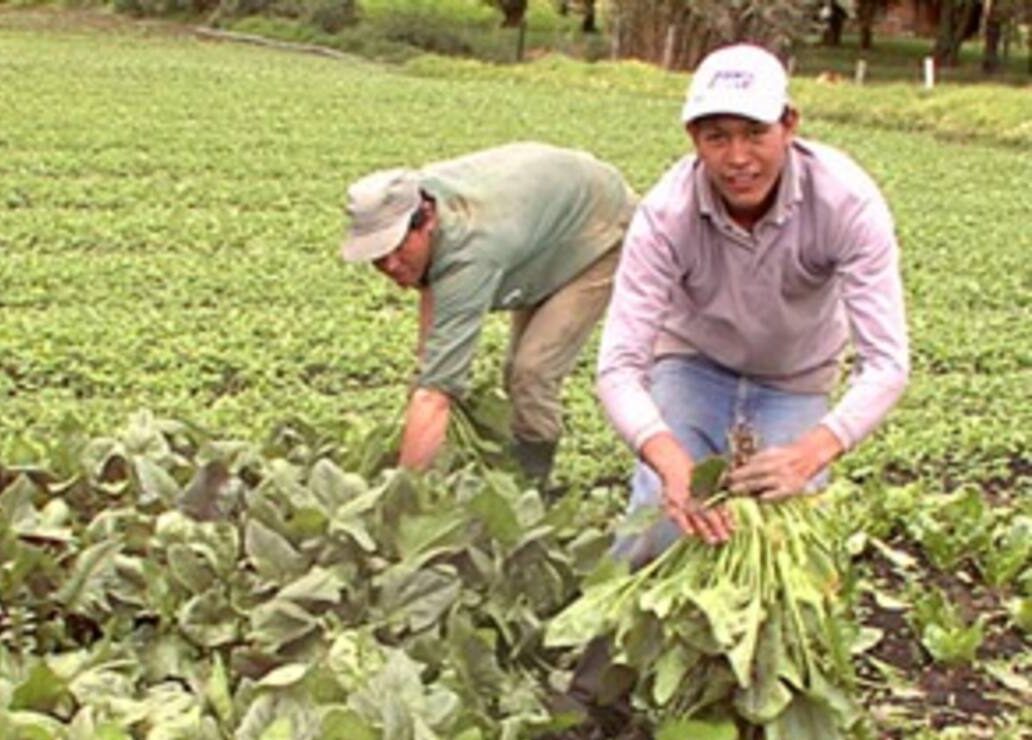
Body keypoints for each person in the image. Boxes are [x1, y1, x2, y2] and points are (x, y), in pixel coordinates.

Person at [597, 43, 910, 565]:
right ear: (694, 138)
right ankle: (627, 613)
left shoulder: (846, 203)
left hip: (795, 377)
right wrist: (667, 458)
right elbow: (618, 367)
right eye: (717, 136)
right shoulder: (665, 216)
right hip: (692, 361)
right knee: (658, 523)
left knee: (784, 546)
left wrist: (810, 453)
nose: (738, 158)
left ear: (789, 126)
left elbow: (887, 364)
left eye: (755, 133)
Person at [340, 142, 636, 485]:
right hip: (543, 219)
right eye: (378, 258)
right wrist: (426, 380)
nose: (391, 266)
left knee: (531, 371)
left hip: (600, 225)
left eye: (397, 247)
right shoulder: (418, 200)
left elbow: (436, 392)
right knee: (487, 374)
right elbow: (433, 347)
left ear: (427, 221)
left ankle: (531, 484)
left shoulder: (471, 250)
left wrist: (403, 491)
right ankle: (513, 469)